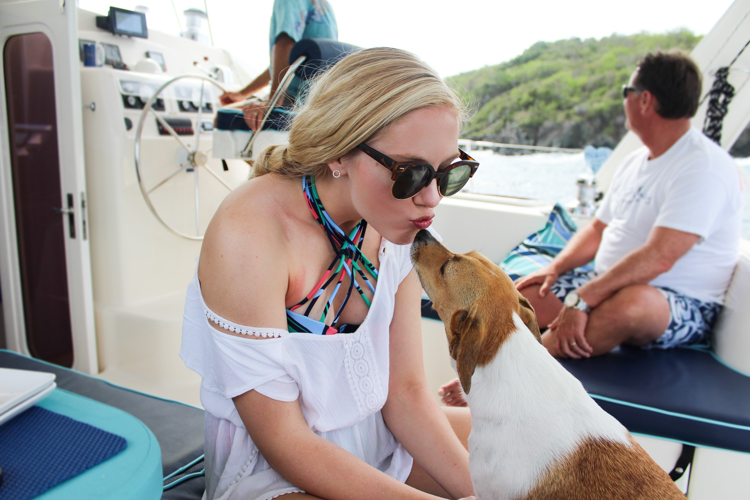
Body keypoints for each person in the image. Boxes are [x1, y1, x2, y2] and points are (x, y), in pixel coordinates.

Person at [181, 47, 478, 500]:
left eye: (448, 173)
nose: (433, 198)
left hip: (375, 431)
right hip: (275, 466)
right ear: (340, 153)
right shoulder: (251, 231)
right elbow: (284, 441)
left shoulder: (397, 226)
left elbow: (407, 395)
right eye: (411, 174)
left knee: (541, 440)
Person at [438, 49, 742, 407]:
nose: (624, 98)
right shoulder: (635, 161)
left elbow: (660, 258)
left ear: (644, 100)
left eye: (627, 90)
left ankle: (504, 375)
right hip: (607, 283)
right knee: (519, 295)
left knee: (632, 305)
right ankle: (495, 361)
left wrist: (583, 299)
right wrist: (555, 269)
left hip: (674, 304)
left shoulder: (702, 167)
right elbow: (597, 230)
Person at [219, 0, 338, 132]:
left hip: (295, 102)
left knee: (222, 116)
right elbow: (289, 62)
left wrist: (273, 104)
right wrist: (242, 94)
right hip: (320, 103)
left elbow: (285, 43)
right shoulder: (325, 7)